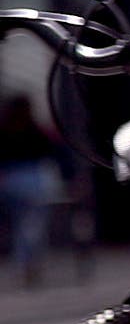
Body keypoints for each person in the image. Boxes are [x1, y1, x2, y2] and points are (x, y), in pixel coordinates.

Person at [0, 92, 66, 282]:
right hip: (34, 182)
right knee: (32, 226)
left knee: (21, 226)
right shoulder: (36, 131)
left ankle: (24, 263)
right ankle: (29, 263)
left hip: (11, 181)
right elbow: (56, 154)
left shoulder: (6, 131)